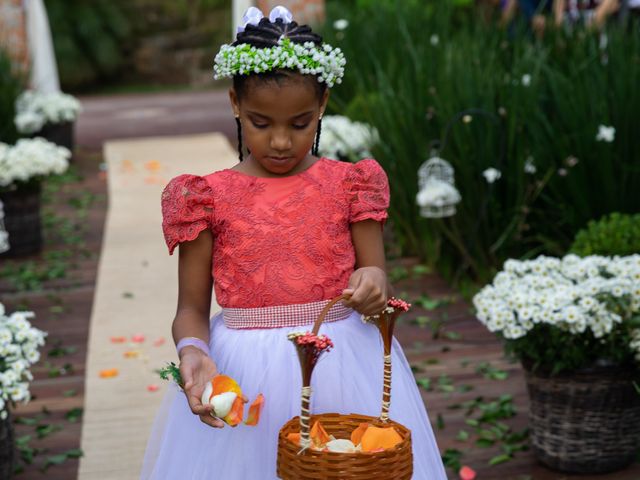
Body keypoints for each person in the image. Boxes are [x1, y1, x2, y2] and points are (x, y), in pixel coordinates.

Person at [140, 5, 447, 479]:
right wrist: (194, 350)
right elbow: (191, 308)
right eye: (261, 124)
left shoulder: (352, 185)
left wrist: (372, 282)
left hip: (341, 365)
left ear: (322, 105)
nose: (280, 141)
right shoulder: (204, 198)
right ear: (235, 104)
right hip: (244, 371)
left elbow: (376, 284)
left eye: (300, 123)